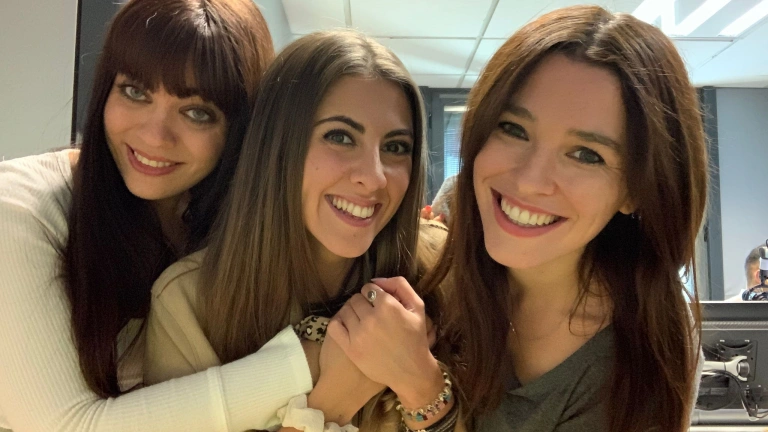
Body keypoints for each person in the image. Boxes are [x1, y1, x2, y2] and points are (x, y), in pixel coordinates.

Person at [0, 0, 313, 430]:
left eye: (197, 112)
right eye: (135, 92)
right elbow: (66, 426)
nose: (154, 135)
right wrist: (311, 362)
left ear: (240, 129)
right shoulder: (20, 210)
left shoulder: (229, 227)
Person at [144, 30, 456, 432]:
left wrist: (422, 384)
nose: (375, 177)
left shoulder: (439, 270)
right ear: (278, 145)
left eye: (395, 147)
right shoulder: (189, 303)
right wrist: (332, 404)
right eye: (340, 137)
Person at [416, 5, 707, 432]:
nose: (529, 181)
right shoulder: (441, 257)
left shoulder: (644, 348)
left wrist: (423, 392)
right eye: (513, 129)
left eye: (586, 154)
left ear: (635, 190)